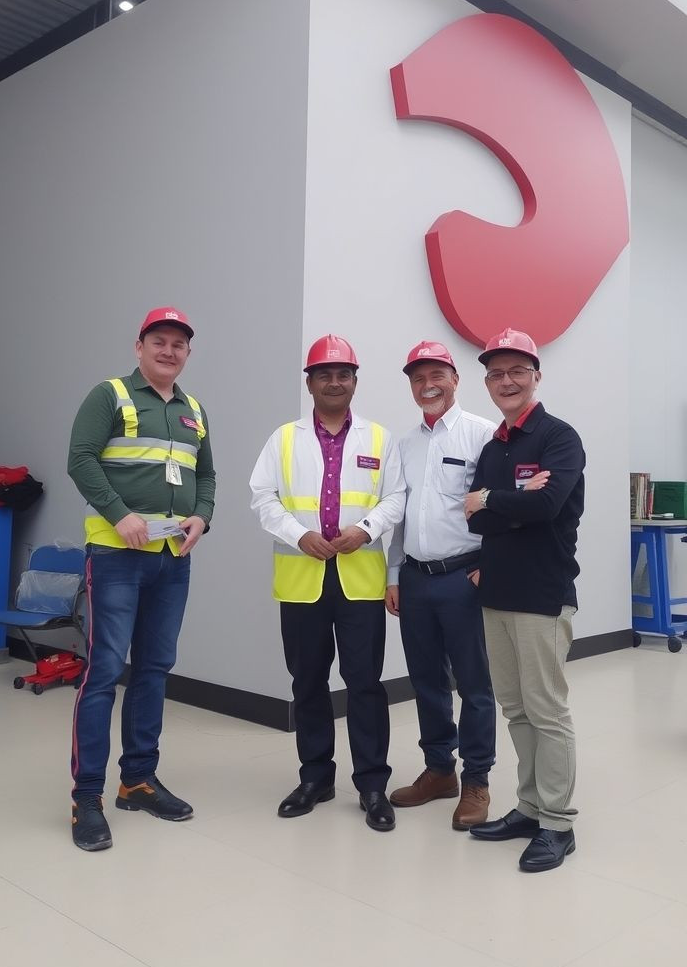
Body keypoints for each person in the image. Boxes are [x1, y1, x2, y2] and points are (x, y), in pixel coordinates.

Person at [67, 307, 216, 852]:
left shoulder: (193, 409)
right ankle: (87, 797)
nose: (169, 350)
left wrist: (202, 516)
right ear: (139, 346)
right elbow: (81, 459)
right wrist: (119, 514)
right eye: (159, 341)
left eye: (179, 344)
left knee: (154, 669)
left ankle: (138, 780)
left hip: (172, 558)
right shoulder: (109, 395)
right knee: (104, 670)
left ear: (187, 353)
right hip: (116, 555)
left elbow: (206, 475)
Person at [250, 335, 405, 832]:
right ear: (310, 383)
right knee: (308, 683)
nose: (334, 383)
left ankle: (372, 785)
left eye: (343, 375)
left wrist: (367, 529)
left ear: (354, 381)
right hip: (303, 581)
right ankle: (315, 778)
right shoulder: (283, 439)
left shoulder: (379, 439)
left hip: (360, 582)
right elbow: (262, 497)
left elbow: (396, 497)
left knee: (365, 685)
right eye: (324, 375)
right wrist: (298, 535)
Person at [464, 327, 585, 872]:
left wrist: (492, 499)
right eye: (496, 373)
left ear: (536, 375)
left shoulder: (560, 438)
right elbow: (475, 520)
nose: (506, 381)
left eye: (517, 371)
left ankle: (558, 823)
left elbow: (549, 506)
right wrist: (510, 501)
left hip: (542, 594)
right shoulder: (494, 447)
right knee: (515, 709)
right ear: (488, 382)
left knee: (547, 711)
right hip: (496, 593)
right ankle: (530, 807)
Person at [386, 342, 496, 829]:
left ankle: (477, 779)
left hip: (463, 577)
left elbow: (500, 504)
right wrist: (394, 575)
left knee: (474, 684)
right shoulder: (404, 445)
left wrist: (492, 564)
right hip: (415, 579)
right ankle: (439, 770)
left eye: (436, 375)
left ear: (455, 379)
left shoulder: (482, 435)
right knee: (426, 679)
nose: (427, 385)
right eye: (418, 378)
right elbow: (400, 516)